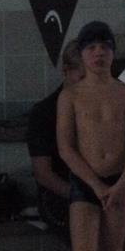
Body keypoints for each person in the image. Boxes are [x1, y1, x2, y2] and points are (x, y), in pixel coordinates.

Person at [57, 21, 125, 251]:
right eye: (91, 48)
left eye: (105, 47)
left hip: (120, 183)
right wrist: (95, 184)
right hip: (85, 183)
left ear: (112, 53)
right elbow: (66, 147)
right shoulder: (70, 96)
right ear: (82, 54)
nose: (99, 53)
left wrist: (123, 183)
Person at [27, 40, 84, 233]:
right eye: (83, 78)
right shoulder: (45, 113)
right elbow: (43, 174)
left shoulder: (104, 109)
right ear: (66, 71)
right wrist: (80, 195)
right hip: (59, 195)